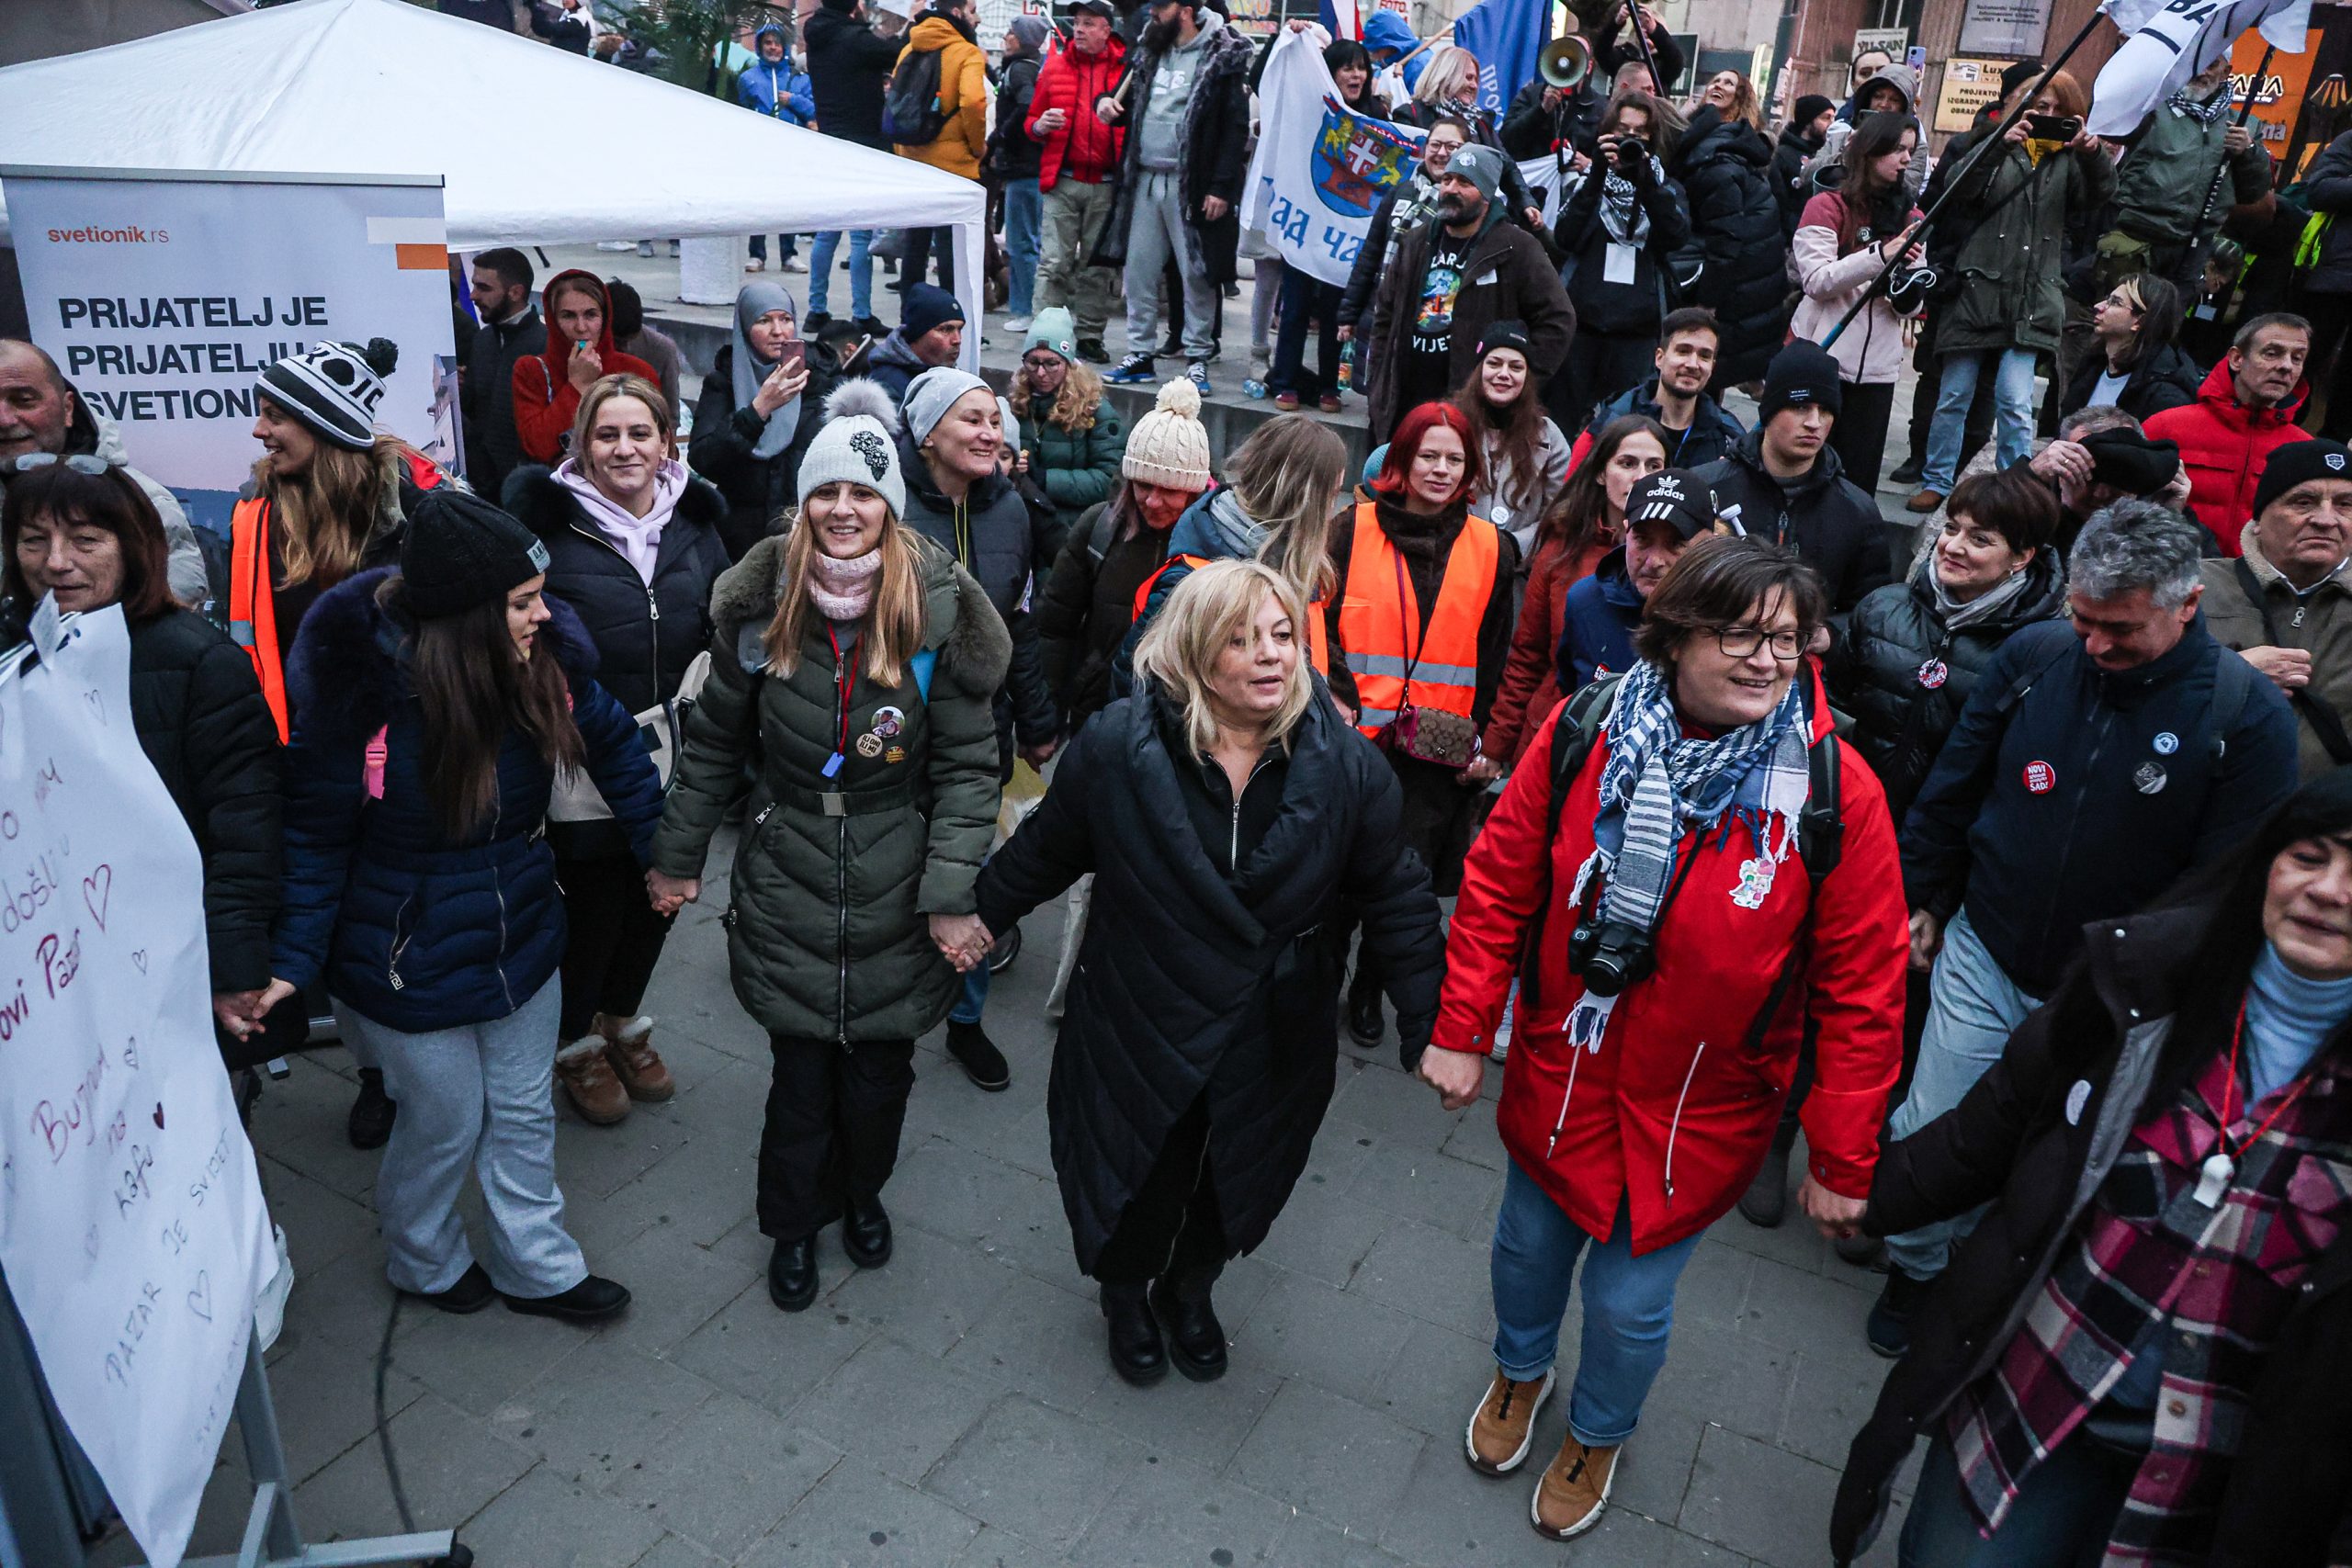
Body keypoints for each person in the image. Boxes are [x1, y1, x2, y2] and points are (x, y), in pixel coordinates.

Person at [1419, 535, 1906, 1541]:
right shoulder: (1585, 728)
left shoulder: (1833, 789)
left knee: (1630, 1304)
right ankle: (1520, 1374)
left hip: (1698, 1108)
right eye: (1738, 634)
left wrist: (1845, 1155)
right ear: (1675, 636)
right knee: (1523, 1252)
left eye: (1784, 640)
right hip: (1565, 1068)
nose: (1766, 661)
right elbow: (1501, 882)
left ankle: (1597, 1431)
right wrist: (1464, 1027)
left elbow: (1862, 987)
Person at [1832, 771, 2352, 1568]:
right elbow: (2002, 1116)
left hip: (2209, 1481)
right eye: (2307, 857)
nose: (2328, 890)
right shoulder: (2149, 982)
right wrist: (1867, 1190)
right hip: (2032, 1404)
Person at [974, 558, 1443, 1382]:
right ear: (1194, 652)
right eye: (1240, 638)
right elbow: (1049, 847)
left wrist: (1432, 1025)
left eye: (1281, 635)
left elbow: (1398, 893)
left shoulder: (1346, 768)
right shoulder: (1119, 747)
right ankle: (1125, 1291)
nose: (1270, 656)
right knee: (1139, 1163)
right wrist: (976, 918)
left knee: (1239, 1173)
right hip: (1140, 1007)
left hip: (1274, 1021)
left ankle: (1191, 1288)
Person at [1880, 500, 2299, 1358]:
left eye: (2121, 628)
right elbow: (1957, 783)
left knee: (2053, 1157)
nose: (2096, 645)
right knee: (1933, 1120)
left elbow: (2224, 885)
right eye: (2083, 619)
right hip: (1986, 948)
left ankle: (1990, 1282)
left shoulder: (2247, 717)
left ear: (2186, 606)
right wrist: (1924, 892)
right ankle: (1915, 1270)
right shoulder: (2035, 656)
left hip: (2114, 997)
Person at [645, 399, 1010, 1312]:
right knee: (801, 1081)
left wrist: (951, 892)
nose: (843, 509)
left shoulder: (933, 612)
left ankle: (862, 1195)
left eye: (863, 491)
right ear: (801, 506)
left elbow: (971, 771)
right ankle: (792, 1225)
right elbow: (716, 747)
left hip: (897, 881)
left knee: (880, 1079)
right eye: (825, 492)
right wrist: (677, 856)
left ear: (890, 504)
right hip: (789, 870)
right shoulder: (760, 607)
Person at [272, 489, 659, 1323]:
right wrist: (289, 968)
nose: (543, 614)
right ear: (469, 616)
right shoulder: (365, 703)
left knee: (521, 1112)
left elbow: (620, 746)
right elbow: (312, 838)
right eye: (524, 602)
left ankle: (537, 1267)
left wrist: (667, 854)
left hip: (521, 934)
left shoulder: (542, 671)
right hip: (403, 955)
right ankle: (422, 1254)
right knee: (446, 1119)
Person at [236, 339, 455, 1147]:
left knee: (406, 915)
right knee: (332, 929)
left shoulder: (421, 512)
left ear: (326, 427)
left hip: (409, 761)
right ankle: (376, 1075)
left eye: (275, 414)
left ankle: (420, 1071)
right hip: (306, 764)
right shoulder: (257, 510)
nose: (258, 431)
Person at [1, 459, 281, 1058]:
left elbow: (244, 831)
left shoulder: (200, 663)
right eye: (33, 540)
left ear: (133, 547)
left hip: (163, 964)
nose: (55, 561)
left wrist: (232, 971)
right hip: (38, 969)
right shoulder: (10, 655)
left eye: (84, 540)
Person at [503, 375, 728, 1122]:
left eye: (641, 433)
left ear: (668, 441)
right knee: (596, 905)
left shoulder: (696, 517)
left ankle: (620, 1021)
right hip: (584, 748)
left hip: (679, 746)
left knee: (660, 899)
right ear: (581, 444)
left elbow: (726, 614)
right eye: (607, 434)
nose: (625, 448)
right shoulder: (549, 528)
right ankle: (575, 1043)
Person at [1329, 401, 1518, 1045]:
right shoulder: (1347, 531)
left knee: (1401, 884)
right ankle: (1319, 982)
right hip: (1351, 747)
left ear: (1469, 469)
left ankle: (1368, 992)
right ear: (1401, 462)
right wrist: (1334, 694)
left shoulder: (1494, 548)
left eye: (1454, 458)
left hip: (1434, 755)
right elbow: (1313, 622)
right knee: (1331, 877)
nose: (1440, 469)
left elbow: (1497, 653)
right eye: (1428, 455)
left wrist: (1491, 742)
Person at [892, 368, 1059, 1083]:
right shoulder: (886, 503)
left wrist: (1037, 719)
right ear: (929, 433)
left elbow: (1015, 624)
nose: (992, 432)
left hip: (982, 735)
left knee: (975, 883)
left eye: (996, 419)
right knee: (895, 878)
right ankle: (885, 1015)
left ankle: (966, 1021)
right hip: (895, 736)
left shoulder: (1010, 511)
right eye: (972, 419)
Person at [1909, 72, 2113, 514]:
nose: (2047, 116)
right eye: (2039, 106)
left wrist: (2092, 152)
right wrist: (2002, 141)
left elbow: (2101, 195)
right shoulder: (1992, 141)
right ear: (2020, 104)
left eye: (2059, 110)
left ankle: (2016, 489)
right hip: (1977, 289)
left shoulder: (2067, 158)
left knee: (2015, 398)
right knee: (1954, 395)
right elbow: (1957, 189)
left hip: (2034, 296)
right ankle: (1937, 480)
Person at [1833, 468, 2065, 824]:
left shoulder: (2042, 651)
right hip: (1852, 819)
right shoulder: (1883, 608)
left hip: (1948, 845)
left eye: (1980, 539)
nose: (1953, 547)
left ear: (2021, 557)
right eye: (1951, 528)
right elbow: (1832, 708)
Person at [1480, 416, 1668, 770]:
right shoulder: (1561, 548)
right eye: (1627, 463)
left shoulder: (1686, 557)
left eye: (1654, 466)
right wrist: (1495, 746)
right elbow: (1528, 657)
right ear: (1600, 472)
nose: (1640, 477)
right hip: (1557, 738)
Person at [1365, 144, 1576, 446]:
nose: (1451, 189)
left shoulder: (1516, 247)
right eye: (1448, 180)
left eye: (1465, 183)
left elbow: (1559, 320)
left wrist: (1517, 381)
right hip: (1405, 403)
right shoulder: (1416, 241)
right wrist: (1378, 383)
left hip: (1475, 411)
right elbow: (1384, 315)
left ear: (1488, 195)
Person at [1095, 0, 1254, 392]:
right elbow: (1126, 101)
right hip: (1146, 177)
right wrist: (1107, 103)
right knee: (1139, 270)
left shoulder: (1223, 55)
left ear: (1184, 10)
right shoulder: (1150, 50)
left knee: (1197, 273)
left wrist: (1221, 187)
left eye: (1160, 6)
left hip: (1192, 184)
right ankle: (1139, 352)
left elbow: (1234, 129)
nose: (1152, 13)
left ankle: (1198, 355)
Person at [1038, 378, 1213, 729]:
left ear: (1193, 493)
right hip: (1099, 713)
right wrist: (1045, 715)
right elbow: (1054, 627)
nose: (1151, 501)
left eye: (1169, 491)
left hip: (1184, 723)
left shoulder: (1216, 547)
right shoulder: (1099, 528)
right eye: (1143, 485)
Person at [0, 339, 206, 605]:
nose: (4, 419)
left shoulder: (144, 504)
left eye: (24, 401)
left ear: (68, 408)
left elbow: (170, 620)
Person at [1694, 342, 1891, 621]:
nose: (1814, 422)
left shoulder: (1858, 511)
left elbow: (1872, 612)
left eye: (1825, 410)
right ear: (1770, 410)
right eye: (1800, 406)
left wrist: (1830, 636)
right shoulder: (1707, 488)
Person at [2200, 439, 2352, 782]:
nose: (2326, 520)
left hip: (2327, 828)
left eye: (2346, 505)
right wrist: (2230, 677)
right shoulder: (2193, 588)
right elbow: (2128, 690)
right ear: (2258, 518)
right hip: (2208, 814)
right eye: (2303, 502)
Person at [1791, 112, 1925, 493]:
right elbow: (1817, 281)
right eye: (1898, 149)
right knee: (1805, 477)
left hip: (1878, 375)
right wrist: (1880, 256)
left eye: (1911, 151)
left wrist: (1909, 293)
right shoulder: (1827, 205)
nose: (1905, 159)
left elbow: (1911, 308)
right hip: (1822, 361)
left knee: (1856, 486)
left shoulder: (1912, 216)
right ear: (1870, 149)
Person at [1551, 92, 1692, 427]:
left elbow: (1676, 237)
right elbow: (1564, 236)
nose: (1630, 138)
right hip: (1582, 328)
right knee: (1564, 423)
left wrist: (1648, 185)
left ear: (1652, 138)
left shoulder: (1666, 187)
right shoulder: (1588, 183)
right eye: (1622, 129)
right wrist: (1597, 174)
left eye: (1639, 132)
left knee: (1627, 428)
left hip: (1637, 333)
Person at [690, 282, 841, 560]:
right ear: (745, 328)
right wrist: (759, 409)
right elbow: (704, 459)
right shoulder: (724, 382)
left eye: (786, 319)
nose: (778, 331)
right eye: (764, 320)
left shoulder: (820, 382)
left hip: (809, 538)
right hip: (742, 543)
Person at [2143, 312, 2315, 556]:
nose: (2286, 366)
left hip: (2254, 586)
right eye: (2272, 353)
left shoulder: (2306, 451)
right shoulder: (2166, 426)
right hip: (2167, 571)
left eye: (2297, 358)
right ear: (2236, 359)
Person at [2099, 54, 2273, 291]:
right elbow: (2108, 125)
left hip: (2194, 246)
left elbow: (2253, 192)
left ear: (2226, 72)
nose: (2201, 72)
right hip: (2137, 235)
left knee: (2167, 324)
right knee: (2120, 315)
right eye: (2196, 61)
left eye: (2211, 65)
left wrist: (2249, 151)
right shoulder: (2152, 107)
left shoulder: (2244, 126)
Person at [1026, 0, 1127, 365]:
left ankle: (1088, 334)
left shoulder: (1125, 71)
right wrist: (1039, 126)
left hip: (1106, 183)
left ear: (1106, 29)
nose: (1079, 29)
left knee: (1097, 267)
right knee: (1054, 262)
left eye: (1089, 23)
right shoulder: (1054, 67)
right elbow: (1031, 121)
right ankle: (1044, 336)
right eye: (1077, 23)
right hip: (1063, 180)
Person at [1554, 466, 1714, 691]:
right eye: (1643, 540)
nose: (1654, 561)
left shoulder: (1729, 615)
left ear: (1709, 544)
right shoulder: (1585, 602)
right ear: (1625, 531)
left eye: (1676, 544)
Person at [1670, 77, 1784, 390]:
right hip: (1742, 289)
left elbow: (1726, 239)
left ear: (1741, 98)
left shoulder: (1717, 159)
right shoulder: (1724, 146)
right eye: (1715, 80)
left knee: (1700, 380)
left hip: (1728, 291)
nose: (1718, 85)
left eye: (1729, 83)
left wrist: (1707, 301)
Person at [804, 0, 904, 337]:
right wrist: (909, 17)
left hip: (830, 137)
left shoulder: (818, 32)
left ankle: (816, 309)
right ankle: (862, 313)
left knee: (828, 229)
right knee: (861, 234)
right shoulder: (854, 38)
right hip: (861, 141)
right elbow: (894, 50)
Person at [1340, 115, 1468, 365]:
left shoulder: (1468, 205)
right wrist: (1349, 314)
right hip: (1381, 310)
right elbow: (1370, 255)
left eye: (1452, 147)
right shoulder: (1401, 191)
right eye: (1435, 145)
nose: (1442, 153)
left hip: (1429, 320)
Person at [511, 270, 662, 468]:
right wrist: (577, 386)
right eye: (568, 316)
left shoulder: (637, 371)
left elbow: (659, 444)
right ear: (553, 321)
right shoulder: (531, 370)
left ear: (605, 318)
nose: (581, 327)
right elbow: (538, 447)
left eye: (591, 315)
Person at [1569, 308, 1747, 473]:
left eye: (1704, 356)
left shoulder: (1729, 437)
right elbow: (1575, 498)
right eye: (1683, 351)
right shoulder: (1609, 425)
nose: (1693, 364)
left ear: (1712, 366)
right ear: (1659, 358)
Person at [890, 0, 989, 293]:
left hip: (914, 161)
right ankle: (952, 323)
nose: (977, 18)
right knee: (952, 250)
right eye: (972, 11)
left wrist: (902, 151)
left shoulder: (911, 46)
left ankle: (913, 322)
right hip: (954, 166)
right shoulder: (967, 52)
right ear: (957, 13)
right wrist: (976, 147)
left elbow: (897, 102)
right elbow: (973, 101)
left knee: (915, 247)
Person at [1007, 309, 1126, 549]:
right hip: (1023, 523)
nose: (1040, 373)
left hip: (1073, 529)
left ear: (1069, 364)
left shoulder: (1096, 410)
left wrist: (1045, 479)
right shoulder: (1014, 404)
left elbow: (1109, 481)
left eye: (1052, 363)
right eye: (1033, 362)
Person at [1454, 321, 1571, 551]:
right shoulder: (1450, 425)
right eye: (1494, 364)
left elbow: (1561, 511)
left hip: (1518, 565)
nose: (1504, 374)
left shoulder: (1549, 437)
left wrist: (1513, 545)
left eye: (1516, 367)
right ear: (1479, 370)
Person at [2059, 273, 2201, 423]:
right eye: (2108, 298)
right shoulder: (2092, 365)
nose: (2098, 306)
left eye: (2115, 302)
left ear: (2139, 321)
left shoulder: (2165, 394)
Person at [460, 250, 542, 503]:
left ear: (515, 292)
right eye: (474, 285)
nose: (473, 295)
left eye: (483, 288)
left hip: (526, 496)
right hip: (479, 489)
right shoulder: (483, 340)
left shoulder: (546, 347)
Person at [738, 21, 815, 275]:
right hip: (758, 150)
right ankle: (756, 254)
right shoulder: (748, 78)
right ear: (760, 47)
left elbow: (814, 111)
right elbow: (742, 111)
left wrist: (793, 100)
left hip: (791, 149)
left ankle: (789, 254)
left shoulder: (799, 80)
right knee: (759, 202)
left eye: (777, 43)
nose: (773, 47)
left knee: (789, 203)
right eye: (768, 43)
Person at [993, 15, 1051, 331]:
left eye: (1011, 33)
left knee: (1021, 242)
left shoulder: (1019, 70)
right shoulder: (1031, 67)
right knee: (1027, 240)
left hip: (1024, 167)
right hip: (1029, 165)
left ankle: (1025, 309)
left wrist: (1004, 133)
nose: (1005, 37)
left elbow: (1027, 105)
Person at [1805, 60, 1928, 204]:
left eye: (1894, 100)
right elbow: (1807, 175)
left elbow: (1909, 191)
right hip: (1832, 212)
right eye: (1878, 96)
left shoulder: (1913, 145)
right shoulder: (1842, 134)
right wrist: (1845, 156)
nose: (1884, 104)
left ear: (1904, 107)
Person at [865, 283, 967, 407]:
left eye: (959, 329)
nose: (957, 340)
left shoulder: (948, 372)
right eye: (945, 330)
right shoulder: (887, 385)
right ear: (918, 333)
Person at [1771, 94, 1837, 242]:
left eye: (1833, 118)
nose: (1831, 124)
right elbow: (1778, 200)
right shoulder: (1783, 154)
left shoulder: (1827, 153)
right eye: (1825, 118)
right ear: (1808, 121)